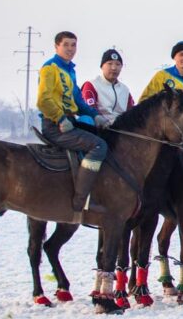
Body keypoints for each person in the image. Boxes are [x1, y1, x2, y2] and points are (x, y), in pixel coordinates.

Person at [36, 31, 107, 217]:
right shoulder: (50, 68)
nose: (70, 49)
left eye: (73, 45)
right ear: (56, 46)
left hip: (70, 121)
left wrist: (95, 115)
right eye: (66, 44)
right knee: (99, 145)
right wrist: (60, 118)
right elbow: (43, 100)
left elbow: (78, 99)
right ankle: (81, 200)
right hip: (55, 125)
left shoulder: (69, 70)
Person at [81, 48, 135, 128]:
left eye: (117, 64)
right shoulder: (92, 85)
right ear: (102, 66)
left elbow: (132, 111)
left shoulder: (125, 89)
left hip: (122, 130)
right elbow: (89, 109)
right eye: (110, 64)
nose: (114, 68)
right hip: (100, 128)